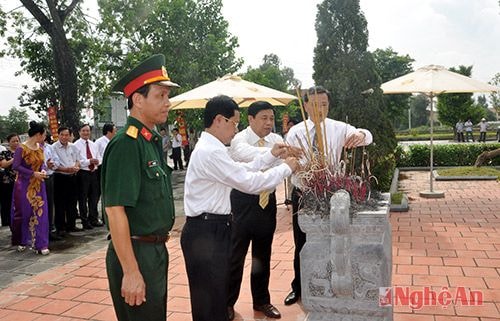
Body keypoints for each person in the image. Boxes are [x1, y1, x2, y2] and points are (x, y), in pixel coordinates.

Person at [181, 95, 300, 321]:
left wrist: (271, 155)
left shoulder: (214, 148)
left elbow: (243, 169)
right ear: (219, 120)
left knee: (213, 294)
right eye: (234, 123)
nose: (235, 130)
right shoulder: (211, 151)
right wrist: (285, 168)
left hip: (212, 227)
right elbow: (249, 182)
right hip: (207, 231)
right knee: (210, 297)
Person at [101, 54, 178, 321]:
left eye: (168, 96)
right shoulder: (127, 143)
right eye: (160, 95)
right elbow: (115, 211)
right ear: (138, 99)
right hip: (136, 253)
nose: (167, 103)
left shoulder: (149, 139)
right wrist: (131, 271)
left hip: (154, 251)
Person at [283, 85, 373, 306]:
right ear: (305, 105)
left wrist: (359, 134)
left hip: (330, 194)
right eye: (314, 104)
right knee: (301, 241)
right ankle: (299, 287)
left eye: (324, 104)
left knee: (332, 238)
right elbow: (287, 160)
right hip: (303, 193)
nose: (320, 109)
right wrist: (298, 168)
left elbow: (367, 136)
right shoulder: (295, 132)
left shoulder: (338, 128)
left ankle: (330, 281)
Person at [226, 101, 284, 320]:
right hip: (242, 203)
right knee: (235, 256)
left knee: (263, 255)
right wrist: (274, 154)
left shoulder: (277, 139)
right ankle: (227, 303)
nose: (269, 123)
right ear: (250, 119)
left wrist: (278, 154)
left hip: (266, 203)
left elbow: (280, 169)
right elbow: (244, 154)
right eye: (264, 118)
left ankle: (262, 301)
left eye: (271, 118)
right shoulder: (239, 139)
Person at [10, 121, 50, 255]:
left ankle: (41, 244)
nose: (45, 137)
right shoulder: (21, 148)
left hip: (39, 185)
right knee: (24, 213)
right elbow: (16, 166)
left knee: (41, 213)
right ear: (38, 135)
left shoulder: (41, 148)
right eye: (44, 135)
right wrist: (32, 173)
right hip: (24, 186)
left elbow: (42, 163)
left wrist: (43, 171)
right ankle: (22, 240)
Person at [52, 127, 81, 236]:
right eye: (62, 135)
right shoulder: (53, 147)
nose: (64, 137)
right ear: (58, 135)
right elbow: (54, 165)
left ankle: (71, 225)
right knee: (60, 203)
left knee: (72, 202)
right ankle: (61, 227)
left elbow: (78, 160)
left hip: (72, 176)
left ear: (70, 135)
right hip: (60, 177)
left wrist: (76, 167)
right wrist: (66, 169)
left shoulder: (73, 147)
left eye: (66, 135)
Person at [74, 124, 102, 229]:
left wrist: (96, 161)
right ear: (79, 132)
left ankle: (93, 218)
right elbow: (77, 161)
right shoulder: (76, 145)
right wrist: (89, 161)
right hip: (83, 173)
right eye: (83, 131)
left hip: (93, 172)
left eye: (88, 131)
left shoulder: (93, 144)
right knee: (83, 198)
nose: (86, 133)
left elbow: (99, 157)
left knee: (94, 197)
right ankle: (84, 221)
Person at [41, 133, 61, 241]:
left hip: (49, 177)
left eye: (43, 135)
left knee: (49, 204)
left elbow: (56, 160)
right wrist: (45, 165)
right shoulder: (31, 148)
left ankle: (50, 230)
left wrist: (52, 164)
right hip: (38, 179)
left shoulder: (49, 147)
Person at [0, 134, 20, 227]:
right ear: (9, 142)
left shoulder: (23, 152)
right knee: (7, 202)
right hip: (8, 181)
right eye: (13, 141)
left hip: (21, 181)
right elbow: (3, 164)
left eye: (17, 141)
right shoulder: (4, 153)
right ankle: (8, 222)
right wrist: (14, 158)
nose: (16, 143)